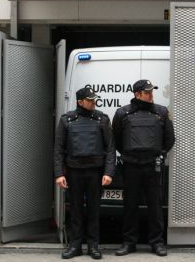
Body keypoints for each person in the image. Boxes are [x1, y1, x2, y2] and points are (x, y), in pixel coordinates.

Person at [112, 79, 175, 257]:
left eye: (151, 92)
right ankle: (128, 242)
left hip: (152, 166)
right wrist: (129, 155)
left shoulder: (161, 112)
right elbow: (116, 139)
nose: (151, 95)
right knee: (130, 205)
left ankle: (157, 243)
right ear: (137, 94)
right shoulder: (122, 113)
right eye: (147, 92)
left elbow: (170, 139)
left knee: (155, 206)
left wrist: (159, 153)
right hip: (131, 166)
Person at [53, 86, 116, 260]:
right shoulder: (67, 120)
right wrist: (59, 174)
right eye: (90, 100)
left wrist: (109, 172)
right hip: (74, 171)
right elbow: (58, 149)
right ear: (80, 102)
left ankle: (93, 246)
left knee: (94, 210)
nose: (93, 102)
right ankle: (75, 246)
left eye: (94, 99)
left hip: (95, 172)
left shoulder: (102, 119)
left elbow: (110, 148)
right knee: (75, 210)